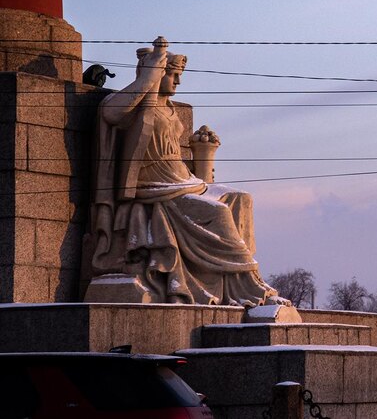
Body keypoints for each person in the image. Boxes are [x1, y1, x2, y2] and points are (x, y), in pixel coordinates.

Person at [86, 37, 285, 306]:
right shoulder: (132, 106)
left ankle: (244, 277)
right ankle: (246, 287)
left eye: (179, 75)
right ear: (156, 73)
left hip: (184, 182)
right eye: (172, 74)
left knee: (242, 199)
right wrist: (147, 77)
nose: (178, 81)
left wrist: (204, 155)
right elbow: (111, 114)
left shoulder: (170, 110)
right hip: (156, 187)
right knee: (219, 212)